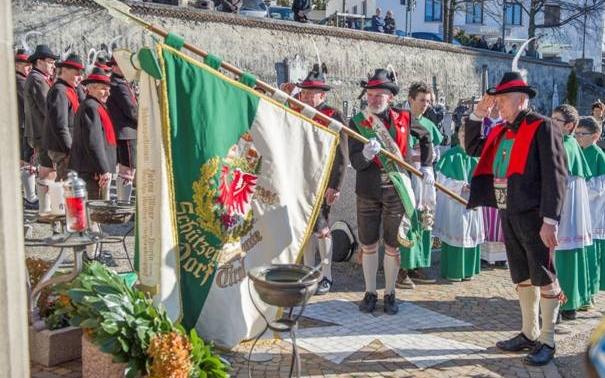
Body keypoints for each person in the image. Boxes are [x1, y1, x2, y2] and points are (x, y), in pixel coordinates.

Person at [464, 71, 567, 365]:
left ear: (521, 100)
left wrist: (551, 220)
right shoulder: (501, 129)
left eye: (502, 101)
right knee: (522, 276)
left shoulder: (543, 127)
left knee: (544, 276)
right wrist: (477, 114)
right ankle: (529, 332)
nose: (497, 107)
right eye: (495, 102)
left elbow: (556, 176)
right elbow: (473, 148)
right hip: (508, 212)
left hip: (535, 216)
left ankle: (547, 339)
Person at [349, 69, 434, 315]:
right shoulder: (357, 123)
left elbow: (426, 137)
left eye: (379, 95)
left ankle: (390, 294)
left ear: (390, 97)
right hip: (367, 191)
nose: (374, 100)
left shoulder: (405, 118)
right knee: (368, 244)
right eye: (371, 95)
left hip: (396, 190)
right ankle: (369, 292)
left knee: (392, 245)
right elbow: (354, 160)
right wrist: (365, 155)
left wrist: (427, 165)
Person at [294, 64, 347, 295]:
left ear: (322, 95)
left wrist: (335, 185)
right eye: (303, 92)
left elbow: (342, 155)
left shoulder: (334, 115)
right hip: (300, 179)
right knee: (305, 228)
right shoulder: (298, 111)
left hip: (324, 181)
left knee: (322, 228)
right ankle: (307, 273)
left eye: (310, 93)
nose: (305, 96)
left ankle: (326, 275)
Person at [398, 82, 442, 288]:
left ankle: (417, 263)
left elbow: (435, 149)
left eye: (428, 101)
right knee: (407, 221)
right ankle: (402, 269)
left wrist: (431, 166)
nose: (425, 105)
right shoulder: (402, 121)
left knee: (425, 219)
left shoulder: (430, 124)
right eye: (422, 100)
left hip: (425, 179)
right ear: (411, 99)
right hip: (407, 176)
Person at [550, 105, 593, 321]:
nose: (551, 123)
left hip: (564, 207)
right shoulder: (571, 144)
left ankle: (560, 305)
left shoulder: (563, 145)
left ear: (569, 126)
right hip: (572, 209)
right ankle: (570, 304)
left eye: (556, 120)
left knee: (560, 254)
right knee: (568, 253)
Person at [434, 125, 484, 281]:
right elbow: (440, 180)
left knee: (472, 232)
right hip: (454, 203)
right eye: (464, 135)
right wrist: (461, 185)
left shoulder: (478, 156)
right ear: (459, 136)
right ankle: (454, 272)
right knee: (457, 231)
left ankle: (469, 271)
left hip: (473, 201)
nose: (466, 138)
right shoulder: (450, 155)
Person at [69, 68, 116, 200]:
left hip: (94, 169)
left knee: (97, 210)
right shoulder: (91, 107)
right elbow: (94, 141)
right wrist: (102, 169)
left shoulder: (95, 105)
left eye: (108, 89)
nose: (108, 92)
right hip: (91, 170)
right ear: (91, 89)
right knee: (93, 210)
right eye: (103, 88)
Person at [23, 44, 58, 213]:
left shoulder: (40, 77)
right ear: (39, 62)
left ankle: (46, 208)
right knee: (48, 169)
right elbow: (47, 108)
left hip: (42, 132)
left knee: (48, 169)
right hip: (42, 133)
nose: (53, 65)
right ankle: (45, 209)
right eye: (50, 61)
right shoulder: (37, 79)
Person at [576, 117, 605, 300]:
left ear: (595, 136)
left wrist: (578, 186)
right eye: (577, 133)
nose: (578, 137)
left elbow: (599, 188)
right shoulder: (578, 151)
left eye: (582, 134)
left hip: (594, 213)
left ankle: (590, 293)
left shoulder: (598, 155)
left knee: (592, 256)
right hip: (580, 211)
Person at [45, 53, 84, 181]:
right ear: (65, 70)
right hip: (63, 148)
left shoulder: (68, 89)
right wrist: (70, 150)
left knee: (66, 185)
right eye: (77, 73)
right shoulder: (60, 91)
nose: (80, 77)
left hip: (68, 147)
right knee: (66, 185)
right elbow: (60, 125)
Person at [107, 57, 138, 203]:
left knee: (127, 169)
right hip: (126, 132)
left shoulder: (120, 83)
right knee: (128, 170)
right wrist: (145, 120)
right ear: (114, 67)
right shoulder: (118, 85)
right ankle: (123, 203)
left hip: (124, 131)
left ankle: (123, 202)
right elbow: (131, 110)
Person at [15, 49, 37, 209]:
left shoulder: (21, 79)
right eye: (25, 64)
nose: (29, 67)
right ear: (17, 65)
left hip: (21, 124)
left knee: (25, 159)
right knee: (26, 160)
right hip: (23, 124)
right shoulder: (20, 81)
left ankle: (28, 195)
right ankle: (30, 197)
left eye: (30, 64)